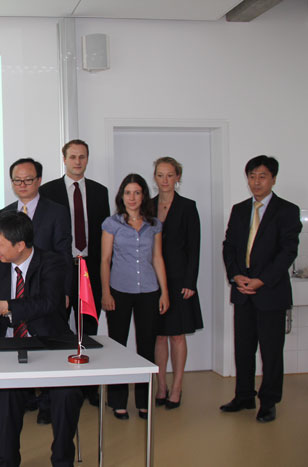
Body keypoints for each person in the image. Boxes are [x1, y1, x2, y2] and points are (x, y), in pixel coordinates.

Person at [0, 212, 84, 467]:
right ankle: (6, 460)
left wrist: (5, 306)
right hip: (9, 345)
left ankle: (62, 459)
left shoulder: (52, 263)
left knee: (67, 394)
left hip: (49, 342)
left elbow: (48, 302)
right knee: (8, 395)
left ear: (20, 245)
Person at [221, 155, 301, 423]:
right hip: (242, 291)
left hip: (271, 293)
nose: (256, 182)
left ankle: (269, 402)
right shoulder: (240, 209)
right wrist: (236, 275)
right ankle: (244, 396)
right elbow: (229, 246)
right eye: (252, 176)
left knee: (271, 352)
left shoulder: (287, 210)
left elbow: (287, 251)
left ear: (273, 179)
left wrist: (261, 280)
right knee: (243, 348)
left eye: (262, 176)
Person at [0, 157, 72, 425]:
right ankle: (25, 396)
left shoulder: (57, 211)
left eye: (28, 180)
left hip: (47, 290)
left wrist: (65, 289)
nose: (22, 185)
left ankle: (47, 402)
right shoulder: (6, 213)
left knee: (46, 343)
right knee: (20, 338)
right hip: (16, 287)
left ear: (39, 181)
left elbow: (64, 253)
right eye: (17, 180)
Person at [40, 139, 109, 408]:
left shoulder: (100, 192)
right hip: (59, 266)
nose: (77, 162)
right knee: (56, 325)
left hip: (89, 267)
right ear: (64, 159)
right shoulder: (48, 191)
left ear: (87, 159)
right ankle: (53, 390)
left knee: (88, 327)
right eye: (73, 157)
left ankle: (88, 387)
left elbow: (104, 235)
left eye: (82, 157)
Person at [100, 173, 169, 420]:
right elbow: (105, 259)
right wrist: (105, 292)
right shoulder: (112, 224)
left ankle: (143, 401)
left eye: (137, 193)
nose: (132, 198)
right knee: (118, 346)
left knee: (146, 347)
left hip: (148, 291)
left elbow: (157, 258)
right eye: (128, 193)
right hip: (119, 291)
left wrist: (164, 292)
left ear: (143, 196)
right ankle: (117, 401)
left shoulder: (154, 225)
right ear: (122, 196)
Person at [151, 157, 204, 409]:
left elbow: (194, 247)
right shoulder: (147, 205)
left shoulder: (187, 207)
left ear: (178, 177)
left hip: (180, 280)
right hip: (153, 280)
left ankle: (177, 387)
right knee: (159, 336)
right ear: (154, 177)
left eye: (170, 175)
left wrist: (190, 281)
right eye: (160, 175)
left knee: (177, 336)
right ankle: (161, 386)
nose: (165, 180)